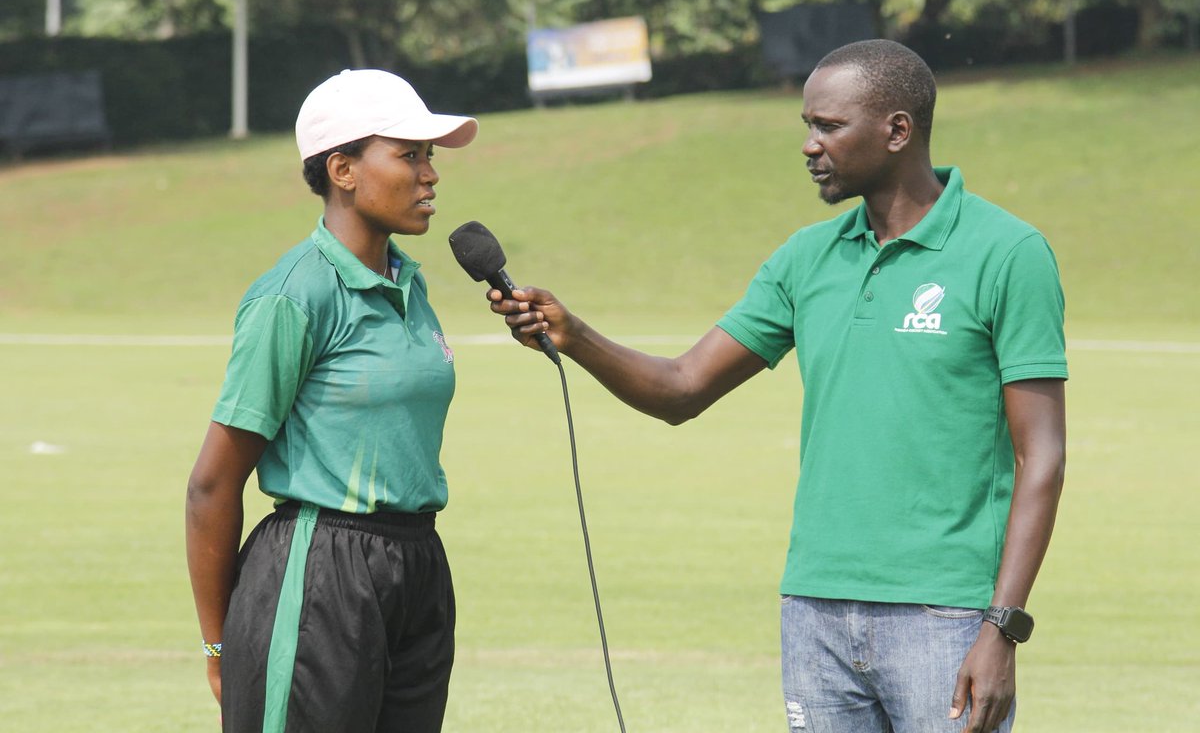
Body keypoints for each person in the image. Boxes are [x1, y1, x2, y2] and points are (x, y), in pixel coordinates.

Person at [487, 39, 1067, 733]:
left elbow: (1043, 457)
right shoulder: (805, 259)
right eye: (807, 126)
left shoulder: (1008, 254)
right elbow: (681, 388)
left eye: (828, 126)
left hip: (944, 616)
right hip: (813, 611)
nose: (809, 145)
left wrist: (1002, 626)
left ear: (897, 131)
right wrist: (575, 335)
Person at [185, 68, 478, 733]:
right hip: (320, 573)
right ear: (342, 170)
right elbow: (210, 485)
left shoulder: (410, 283)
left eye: (429, 156)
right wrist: (217, 644)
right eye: (409, 155)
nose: (430, 174)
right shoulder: (293, 295)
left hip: (418, 567)